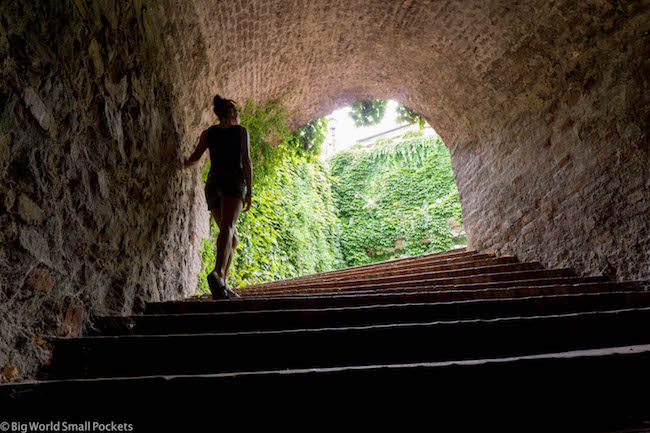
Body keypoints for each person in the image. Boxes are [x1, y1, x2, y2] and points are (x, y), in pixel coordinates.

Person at [184, 95, 253, 300]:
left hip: (213, 184)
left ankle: (223, 283)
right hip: (233, 181)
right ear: (230, 112)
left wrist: (183, 161)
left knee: (232, 238)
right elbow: (247, 161)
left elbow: (195, 158)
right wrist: (249, 190)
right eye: (236, 110)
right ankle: (218, 273)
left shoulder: (209, 133)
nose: (237, 113)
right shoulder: (241, 132)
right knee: (228, 228)